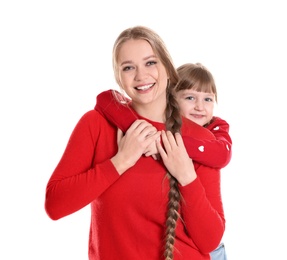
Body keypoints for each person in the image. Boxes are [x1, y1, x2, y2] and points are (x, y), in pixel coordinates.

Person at [45, 25, 225, 259]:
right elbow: (55, 205)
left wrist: (186, 175)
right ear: (119, 77)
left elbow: (210, 239)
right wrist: (121, 161)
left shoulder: (199, 140)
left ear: (168, 69)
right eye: (128, 67)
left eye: (150, 63)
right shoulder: (97, 124)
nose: (141, 76)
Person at [95, 63, 232, 259]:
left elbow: (222, 153)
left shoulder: (217, 127)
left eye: (208, 99)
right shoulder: (155, 123)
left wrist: (164, 143)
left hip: (212, 247)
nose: (200, 106)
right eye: (190, 97)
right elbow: (105, 99)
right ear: (171, 100)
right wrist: (144, 136)